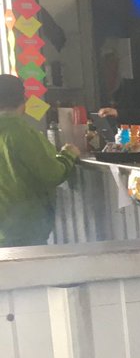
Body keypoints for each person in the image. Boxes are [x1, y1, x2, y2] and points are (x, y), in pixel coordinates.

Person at [0, 74, 79, 247]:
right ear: (23, 99)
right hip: (24, 228)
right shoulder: (21, 132)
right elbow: (52, 173)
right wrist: (68, 155)